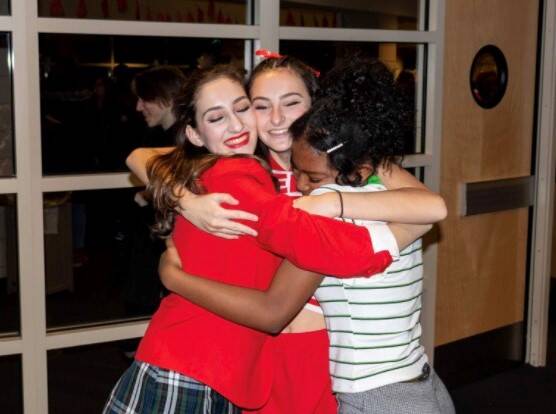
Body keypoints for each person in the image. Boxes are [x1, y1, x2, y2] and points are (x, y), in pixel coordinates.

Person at [125, 52, 446, 413]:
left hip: (325, 352)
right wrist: (185, 199)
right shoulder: (241, 163)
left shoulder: (343, 161)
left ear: (315, 105)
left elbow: (430, 206)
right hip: (258, 354)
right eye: (260, 106)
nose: (276, 119)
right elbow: (141, 156)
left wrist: (332, 202)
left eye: (291, 103)